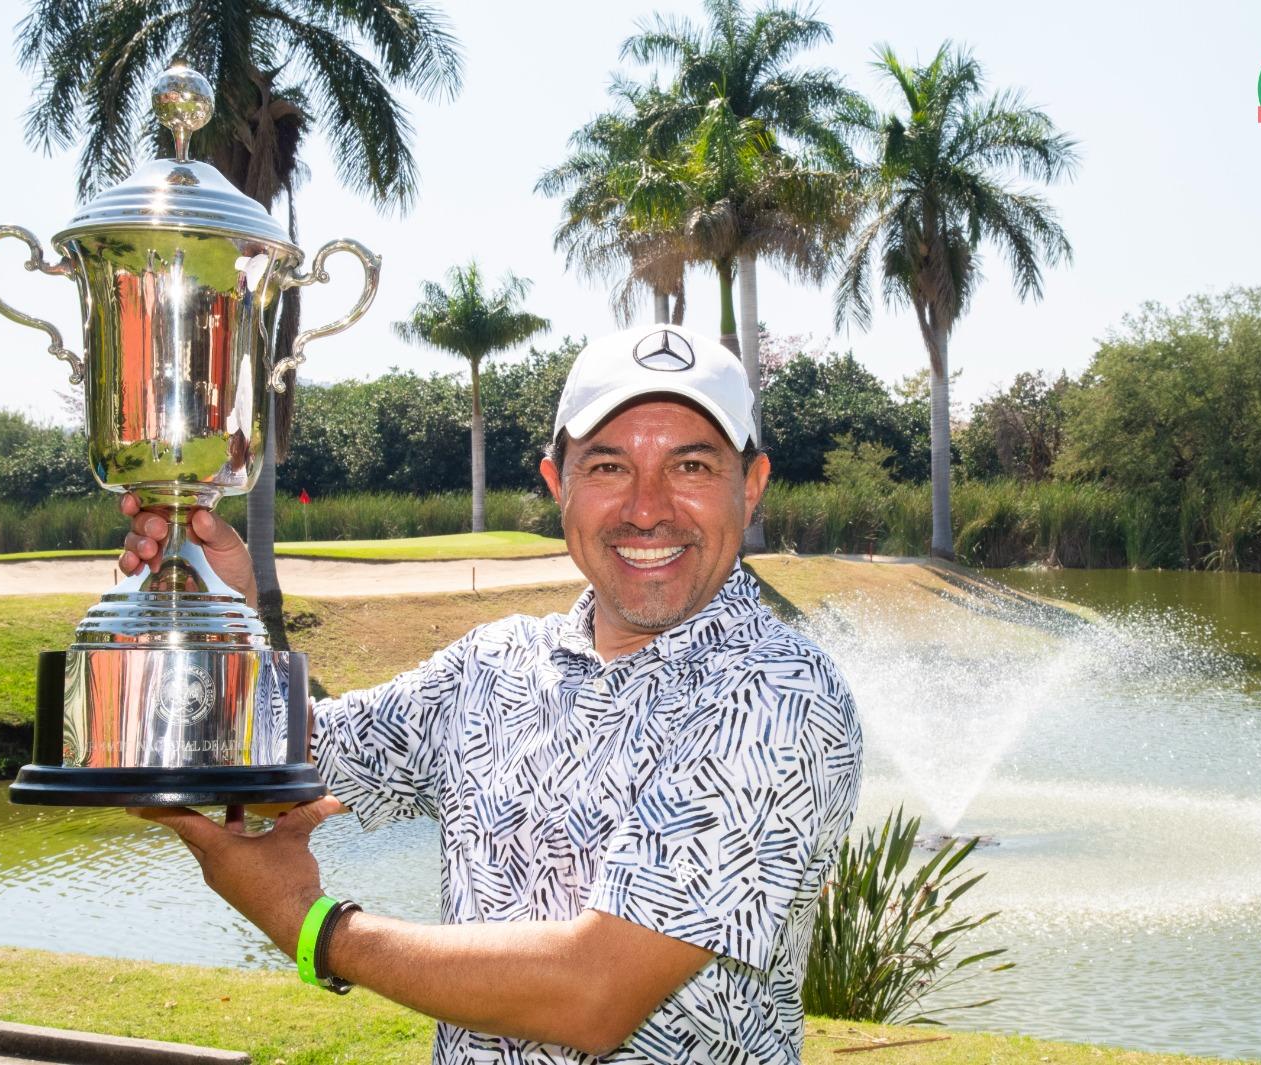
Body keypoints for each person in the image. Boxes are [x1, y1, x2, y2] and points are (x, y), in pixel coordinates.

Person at [119, 324, 863, 1063]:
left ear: (754, 485)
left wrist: (311, 926)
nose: (647, 508)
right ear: (555, 485)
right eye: (607, 467)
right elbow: (282, 761)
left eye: (691, 466)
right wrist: (219, 614)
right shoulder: (496, 664)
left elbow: (593, 992)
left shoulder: (777, 691)